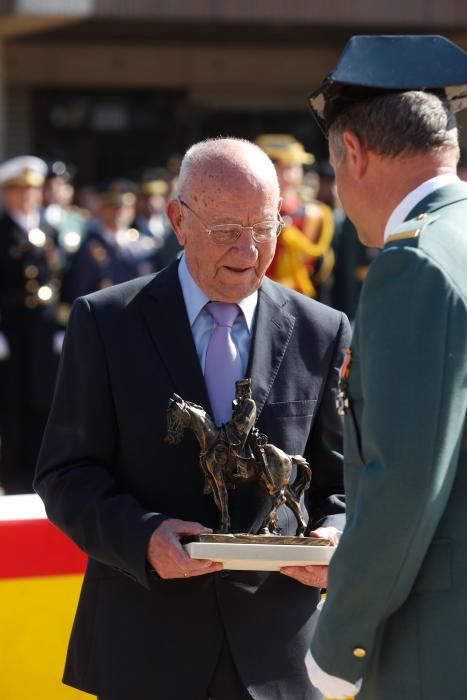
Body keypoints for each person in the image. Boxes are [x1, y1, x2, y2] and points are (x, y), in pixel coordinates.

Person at [34, 137, 350, 700]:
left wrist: (337, 536)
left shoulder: (322, 331)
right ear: (178, 220)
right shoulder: (107, 322)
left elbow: (345, 482)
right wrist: (144, 537)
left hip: (281, 656)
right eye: (228, 230)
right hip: (145, 648)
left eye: (265, 227)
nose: (249, 250)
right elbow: (65, 474)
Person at [305, 34, 467, 699]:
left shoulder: (414, 261)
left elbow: (402, 480)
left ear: (352, 152)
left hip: (432, 643)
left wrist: (341, 639)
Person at [0, 155, 65, 493]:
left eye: (33, 191)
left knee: (44, 401)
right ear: (7, 193)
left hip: (42, 331)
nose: (27, 197)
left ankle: (35, 475)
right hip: (11, 330)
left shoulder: (47, 229)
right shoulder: (3, 230)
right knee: (12, 404)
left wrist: (61, 326)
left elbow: (59, 281)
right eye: (19, 191)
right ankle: (10, 477)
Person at [255, 134, 335, 301]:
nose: (287, 176)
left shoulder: (315, 215)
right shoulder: (244, 214)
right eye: (278, 166)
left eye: (292, 167)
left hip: (299, 303)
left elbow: (321, 275)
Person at [61, 179, 159, 303]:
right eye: (113, 206)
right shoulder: (89, 246)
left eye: (125, 207)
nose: (120, 212)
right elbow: (80, 291)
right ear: (102, 209)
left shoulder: (142, 244)